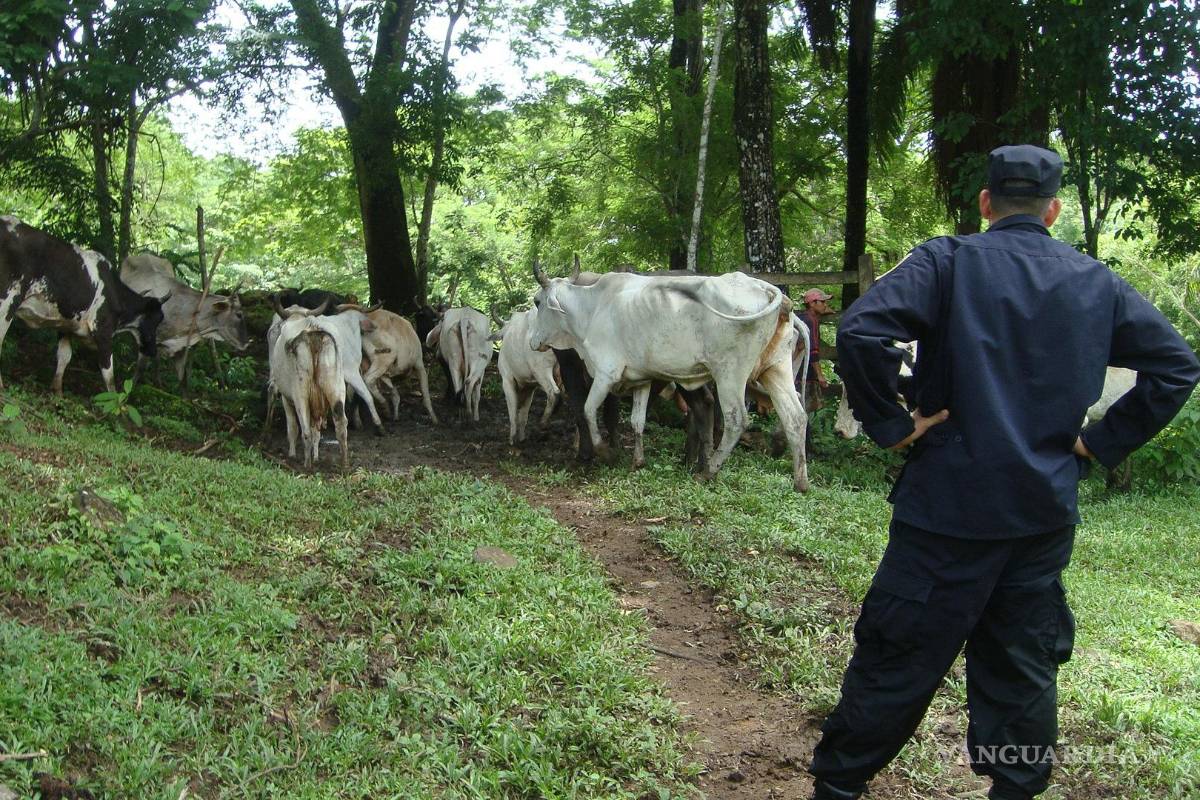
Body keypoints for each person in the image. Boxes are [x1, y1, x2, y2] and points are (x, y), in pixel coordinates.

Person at [808, 144, 1200, 800]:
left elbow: (862, 332)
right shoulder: (1094, 281)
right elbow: (1177, 365)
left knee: (897, 660)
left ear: (986, 204)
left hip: (944, 513)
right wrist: (1100, 442)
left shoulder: (947, 260)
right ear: (1053, 210)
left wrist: (894, 425)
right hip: (1039, 516)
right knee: (1020, 671)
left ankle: (840, 788)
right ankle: (1014, 788)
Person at [800, 288, 833, 409]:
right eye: (822, 302)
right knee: (803, 405)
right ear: (812, 303)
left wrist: (823, 311)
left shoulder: (805, 318)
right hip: (803, 370)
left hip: (796, 367)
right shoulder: (811, 321)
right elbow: (813, 349)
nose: (825, 305)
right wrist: (820, 375)